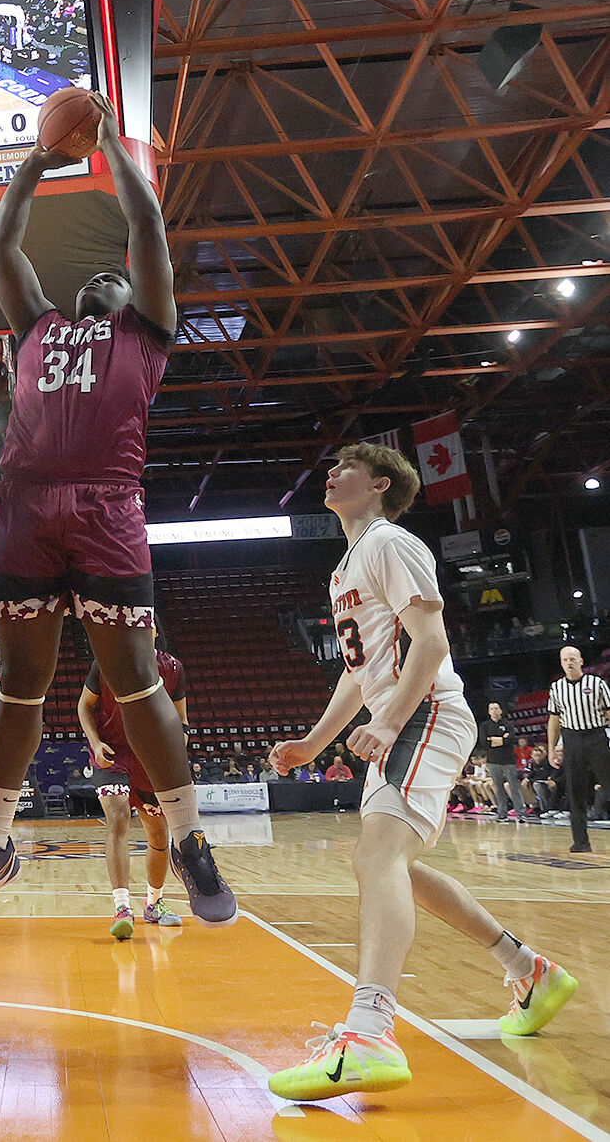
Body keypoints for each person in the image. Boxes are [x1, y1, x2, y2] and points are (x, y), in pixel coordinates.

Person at [0, 92, 236, 927]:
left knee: (137, 683)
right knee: (22, 686)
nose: (103, 277)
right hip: (23, 506)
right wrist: (37, 162)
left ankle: (187, 838)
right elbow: (1, 243)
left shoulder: (148, 331)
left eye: (116, 276)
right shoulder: (33, 325)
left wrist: (113, 151)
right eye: (93, 276)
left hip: (108, 505)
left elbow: (145, 236)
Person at [265, 442, 577, 1102]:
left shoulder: (390, 541)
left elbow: (432, 643)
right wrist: (314, 742)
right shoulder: (348, 563)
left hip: (427, 711)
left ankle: (372, 1029)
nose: (331, 470)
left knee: (377, 855)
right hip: (402, 717)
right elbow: (359, 676)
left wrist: (389, 718)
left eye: (347, 464)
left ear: (380, 484)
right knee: (391, 864)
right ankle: (529, 970)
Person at [77, 638, 189, 937]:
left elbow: (181, 721)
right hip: (112, 754)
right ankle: (121, 907)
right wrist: (95, 741)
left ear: (153, 630)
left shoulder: (173, 667)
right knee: (117, 817)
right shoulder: (106, 660)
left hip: (150, 760)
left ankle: (154, 902)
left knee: (158, 832)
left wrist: (175, 749)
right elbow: (85, 706)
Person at [546, 645, 610, 853]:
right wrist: (552, 748)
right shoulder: (556, 688)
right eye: (565, 659)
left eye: (573, 658)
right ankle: (581, 841)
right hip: (572, 739)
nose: (569, 662)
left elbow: (608, 712)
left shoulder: (597, 683)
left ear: (581, 661)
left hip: (596, 736)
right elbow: (554, 720)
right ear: (561, 663)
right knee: (575, 791)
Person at [479, 701, 522, 822]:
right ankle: (502, 814)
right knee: (498, 788)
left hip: (508, 760)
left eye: (496, 708)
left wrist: (494, 739)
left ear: (501, 710)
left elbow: (511, 739)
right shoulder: (484, 726)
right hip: (493, 760)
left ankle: (520, 813)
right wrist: (502, 739)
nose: (494, 710)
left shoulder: (508, 724)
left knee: (514, 787)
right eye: (491, 708)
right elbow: (484, 742)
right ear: (488, 711)